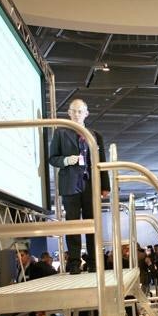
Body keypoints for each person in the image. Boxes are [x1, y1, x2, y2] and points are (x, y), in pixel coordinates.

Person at [48, 98, 110, 273]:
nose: (76, 114)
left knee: (93, 222)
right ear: (69, 113)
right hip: (70, 184)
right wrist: (66, 160)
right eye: (73, 111)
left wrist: (105, 186)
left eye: (80, 111)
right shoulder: (60, 133)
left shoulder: (95, 135)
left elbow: (102, 161)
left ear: (86, 114)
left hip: (91, 184)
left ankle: (93, 260)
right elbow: (52, 158)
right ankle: (74, 261)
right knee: (73, 223)